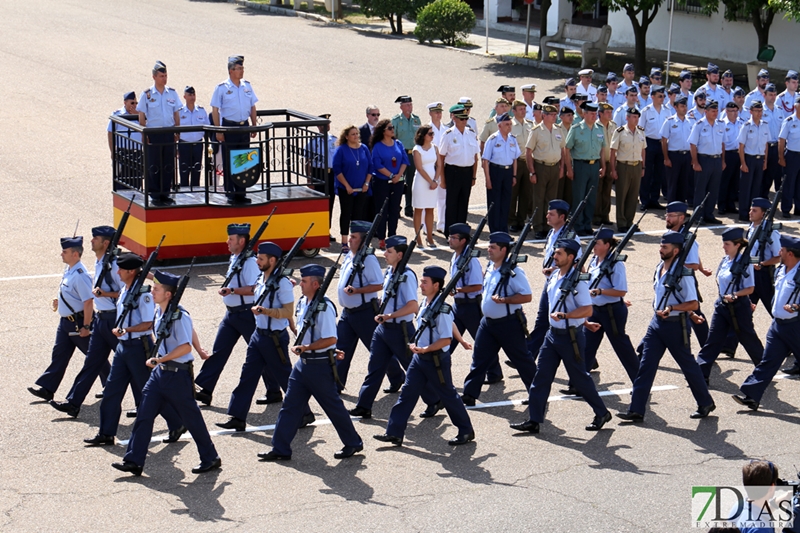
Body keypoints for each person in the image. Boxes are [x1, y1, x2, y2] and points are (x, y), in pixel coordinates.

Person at [112, 270, 221, 477]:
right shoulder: (159, 310)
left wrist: (163, 358)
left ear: (168, 294)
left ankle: (210, 457)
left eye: (157, 289)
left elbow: (184, 346)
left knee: (192, 418)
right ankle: (134, 461)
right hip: (159, 375)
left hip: (177, 375)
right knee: (144, 415)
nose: (152, 291)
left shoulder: (180, 316)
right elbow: (185, 336)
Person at [258, 264, 364, 461]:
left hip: (319, 367)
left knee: (333, 406)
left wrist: (308, 348)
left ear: (315, 284)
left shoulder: (324, 308)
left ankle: (353, 442)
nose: (300, 283)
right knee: (290, 405)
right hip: (303, 366)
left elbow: (331, 339)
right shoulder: (302, 302)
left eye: (304, 281)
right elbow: (306, 331)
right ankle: (280, 448)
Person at [510, 239, 612, 434]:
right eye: (555, 253)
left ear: (570, 257)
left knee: (579, 378)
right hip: (552, 335)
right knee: (541, 377)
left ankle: (602, 412)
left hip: (569, 338)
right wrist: (584, 322)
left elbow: (587, 308)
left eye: (559, 254)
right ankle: (534, 420)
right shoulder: (555, 275)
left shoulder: (578, 282)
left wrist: (572, 318)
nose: (554, 257)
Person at [83, 253, 184, 447]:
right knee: (112, 390)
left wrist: (126, 330)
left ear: (131, 271)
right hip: (123, 348)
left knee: (149, 390)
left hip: (139, 347)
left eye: (121, 269)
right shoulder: (125, 289)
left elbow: (148, 324)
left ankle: (176, 422)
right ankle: (106, 432)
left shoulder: (144, 294)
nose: (117, 272)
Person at [617, 232, 715, 422]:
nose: (660, 249)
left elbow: (693, 302)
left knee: (688, 366)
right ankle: (636, 409)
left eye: (665, 247)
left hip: (675, 326)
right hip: (656, 324)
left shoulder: (684, 274)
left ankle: (705, 402)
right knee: (646, 366)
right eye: (661, 246)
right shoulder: (659, 267)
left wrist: (675, 309)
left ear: (676, 250)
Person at [216, 242, 315, 432]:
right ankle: (237, 416)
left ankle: (305, 413)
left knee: (286, 378)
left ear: (272, 260)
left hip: (274, 338)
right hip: (258, 336)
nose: (257, 261)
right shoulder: (262, 278)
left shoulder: (282, 283)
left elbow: (287, 312)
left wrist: (265, 311)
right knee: (247, 376)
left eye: (261, 259)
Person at [374, 265, 476, 446]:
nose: (421, 285)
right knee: (407, 394)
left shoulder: (442, 309)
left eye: (425, 282)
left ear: (436, 285)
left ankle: (466, 430)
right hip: (419, 358)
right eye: (421, 281)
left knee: (448, 395)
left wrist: (427, 348)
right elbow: (449, 326)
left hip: (435, 360)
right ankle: (394, 432)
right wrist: (460, 340)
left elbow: (445, 339)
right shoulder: (426, 303)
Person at [348, 236, 440, 418]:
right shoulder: (390, 272)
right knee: (375, 367)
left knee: (413, 368)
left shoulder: (406, 276)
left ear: (400, 255)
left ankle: (435, 400)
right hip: (384, 330)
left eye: (389, 251)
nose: (384, 254)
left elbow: (412, 306)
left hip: (401, 331)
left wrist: (389, 315)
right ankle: (364, 406)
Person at [194, 224, 282, 407]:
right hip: (232, 315)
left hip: (246, 315)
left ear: (242, 241)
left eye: (231, 239)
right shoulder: (236, 257)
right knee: (219, 351)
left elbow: (255, 289)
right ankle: (205, 389)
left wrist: (232, 290)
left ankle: (274, 390)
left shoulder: (249, 263)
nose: (227, 242)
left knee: (262, 353)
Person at [49, 226, 119, 417]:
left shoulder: (114, 265)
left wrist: (87, 325)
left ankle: (169, 408)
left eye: (95, 238)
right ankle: (73, 403)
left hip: (114, 319)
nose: (90, 241)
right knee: (91, 363)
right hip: (103, 319)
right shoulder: (99, 263)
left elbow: (125, 292)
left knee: (135, 365)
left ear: (105, 243)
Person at [461, 231, 537, 407]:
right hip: (487, 323)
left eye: (493, 247)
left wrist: (505, 300)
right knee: (479, 359)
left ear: (503, 250)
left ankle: (537, 392)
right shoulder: (491, 267)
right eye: (489, 246)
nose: (489, 249)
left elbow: (526, 296)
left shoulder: (514, 272)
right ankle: (469, 394)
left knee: (521, 360)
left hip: (508, 323)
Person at [734, 235, 800, 411]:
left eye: (782, 250)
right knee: (768, 361)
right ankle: (752, 396)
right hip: (778, 326)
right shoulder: (781, 269)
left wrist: (797, 306)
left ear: (791, 254)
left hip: (796, 326)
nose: (779, 252)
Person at [335, 221, 404, 391]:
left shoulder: (368, 259)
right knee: (341, 350)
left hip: (364, 312)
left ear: (363, 240)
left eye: (354, 237)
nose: (349, 240)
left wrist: (357, 290)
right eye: (350, 236)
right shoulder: (349, 256)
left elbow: (379, 284)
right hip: (347, 313)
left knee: (377, 350)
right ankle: (336, 384)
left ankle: (397, 376)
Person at [28, 236, 94, 402]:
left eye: (64, 251)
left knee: (94, 357)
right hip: (65, 322)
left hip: (78, 324)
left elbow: (88, 301)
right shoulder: (69, 269)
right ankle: (47, 388)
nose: (61, 254)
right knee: (59, 355)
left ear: (75, 254)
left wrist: (86, 325)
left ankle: (110, 384)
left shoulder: (80, 275)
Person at [696, 228, 764, 385]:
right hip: (722, 306)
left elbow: (750, 288)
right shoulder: (725, 260)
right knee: (713, 340)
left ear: (737, 245)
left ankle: (764, 369)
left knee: (748, 338)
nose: (723, 247)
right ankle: (701, 374)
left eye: (727, 244)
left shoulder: (744, 263)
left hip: (738, 307)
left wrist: (736, 295)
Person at [580, 228, 639, 389]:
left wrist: (600, 291)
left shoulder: (616, 263)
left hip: (611, 311)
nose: (593, 246)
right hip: (595, 310)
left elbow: (621, 290)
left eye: (597, 243)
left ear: (607, 245)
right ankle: (578, 383)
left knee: (622, 347)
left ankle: (640, 382)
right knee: (586, 346)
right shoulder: (595, 259)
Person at [447, 223, 499, 382]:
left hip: (471, 307)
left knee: (482, 342)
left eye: (453, 238)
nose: (450, 240)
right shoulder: (456, 256)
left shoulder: (471, 260)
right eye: (450, 237)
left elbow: (478, 285)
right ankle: (436, 369)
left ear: (463, 241)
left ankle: (494, 372)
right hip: (458, 306)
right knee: (449, 339)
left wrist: (458, 290)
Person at [210, 55, 258, 205]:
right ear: (231, 70)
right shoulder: (222, 88)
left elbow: (252, 106)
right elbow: (215, 110)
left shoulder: (247, 86)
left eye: (242, 68)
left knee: (244, 160)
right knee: (230, 161)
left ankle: (241, 192)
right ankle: (230, 192)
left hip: (243, 127)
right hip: (229, 127)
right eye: (239, 68)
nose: (242, 71)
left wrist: (254, 124)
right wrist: (219, 130)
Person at [136, 61, 181, 206]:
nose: (164, 78)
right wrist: (144, 132)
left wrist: (177, 130)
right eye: (161, 76)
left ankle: (165, 192)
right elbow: (141, 114)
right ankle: (154, 193)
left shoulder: (172, 93)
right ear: (154, 77)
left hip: (168, 132)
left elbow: (176, 113)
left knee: (168, 164)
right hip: (153, 133)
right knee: (154, 164)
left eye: (166, 75)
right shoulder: (147, 94)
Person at [526, 104, 566, 240]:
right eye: (552, 115)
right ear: (544, 115)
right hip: (540, 166)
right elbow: (528, 151)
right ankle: (538, 226)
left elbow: (562, 150)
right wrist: (532, 172)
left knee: (551, 199)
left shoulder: (558, 130)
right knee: (539, 198)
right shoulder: (536, 130)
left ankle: (550, 226)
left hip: (554, 166)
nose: (555, 117)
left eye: (555, 114)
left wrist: (561, 168)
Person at [564, 102, 605, 236]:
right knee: (579, 197)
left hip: (595, 165)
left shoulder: (599, 128)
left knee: (591, 197)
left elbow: (603, 149)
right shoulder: (576, 128)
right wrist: (569, 169)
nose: (594, 116)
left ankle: (588, 224)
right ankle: (578, 225)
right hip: (581, 165)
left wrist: (603, 166)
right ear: (585, 114)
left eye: (595, 113)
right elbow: (567, 149)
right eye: (591, 113)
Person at [439, 105, 480, 237]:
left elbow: (475, 157)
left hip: (467, 172)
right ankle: (450, 233)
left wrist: (473, 176)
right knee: (451, 203)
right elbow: (441, 157)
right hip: (452, 172)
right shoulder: (448, 135)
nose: (464, 121)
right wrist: (442, 179)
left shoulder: (471, 133)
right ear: (454, 118)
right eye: (461, 119)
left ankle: (462, 232)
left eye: (466, 118)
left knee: (464, 202)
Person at [332, 125, 372, 252]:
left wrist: (366, 183)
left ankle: (357, 240)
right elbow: (337, 169)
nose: (356, 136)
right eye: (353, 134)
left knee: (358, 215)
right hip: (346, 189)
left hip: (361, 188)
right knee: (346, 213)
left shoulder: (364, 148)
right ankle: (344, 241)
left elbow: (370, 167)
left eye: (357, 134)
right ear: (347, 136)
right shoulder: (341, 150)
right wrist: (347, 186)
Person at [370, 119, 408, 250]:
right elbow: (377, 164)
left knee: (394, 209)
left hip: (397, 182)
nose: (392, 130)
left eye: (392, 128)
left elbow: (404, 160)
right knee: (382, 210)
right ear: (383, 131)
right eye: (390, 128)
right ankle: (381, 237)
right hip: (382, 182)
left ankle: (392, 236)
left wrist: (399, 176)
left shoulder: (398, 143)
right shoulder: (378, 146)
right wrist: (391, 175)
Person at [482, 113, 521, 234]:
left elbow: (515, 159)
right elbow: (485, 160)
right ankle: (494, 230)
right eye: (506, 124)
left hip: (508, 172)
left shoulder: (512, 139)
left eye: (510, 124)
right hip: (495, 171)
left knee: (505, 202)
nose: (509, 127)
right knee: (494, 202)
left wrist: (514, 175)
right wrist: (488, 179)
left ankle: (504, 230)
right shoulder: (493, 139)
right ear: (499, 126)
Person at [688, 100, 726, 224]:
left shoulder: (720, 124)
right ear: (706, 111)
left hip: (716, 159)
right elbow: (693, 144)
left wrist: (723, 160)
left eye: (717, 111)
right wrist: (695, 162)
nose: (715, 113)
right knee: (700, 189)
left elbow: (722, 144)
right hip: (703, 159)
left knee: (713, 189)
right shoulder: (699, 125)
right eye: (713, 111)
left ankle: (709, 214)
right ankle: (698, 216)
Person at [610, 107, 646, 233]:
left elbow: (643, 150)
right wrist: (613, 170)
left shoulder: (641, 132)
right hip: (623, 165)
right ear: (627, 117)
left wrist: (643, 167)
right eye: (633, 117)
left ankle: (629, 222)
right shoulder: (619, 132)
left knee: (633, 195)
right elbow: (613, 151)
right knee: (621, 195)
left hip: (636, 165)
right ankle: (621, 223)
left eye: (637, 117)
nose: (636, 119)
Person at [737, 101, 770, 222]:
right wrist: (743, 163)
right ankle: (744, 213)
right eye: (756, 111)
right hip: (749, 159)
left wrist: (765, 160)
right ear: (751, 112)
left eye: (760, 111)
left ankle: (754, 213)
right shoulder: (746, 126)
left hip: (759, 159)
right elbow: (741, 146)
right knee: (746, 188)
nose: (759, 113)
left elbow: (766, 144)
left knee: (756, 187)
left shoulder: (765, 125)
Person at [640, 84, 670, 210]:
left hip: (662, 143)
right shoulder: (646, 111)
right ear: (652, 97)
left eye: (663, 96)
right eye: (659, 96)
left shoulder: (667, 111)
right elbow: (640, 130)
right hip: (649, 143)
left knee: (659, 173)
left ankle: (654, 199)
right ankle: (645, 200)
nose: (662, 98)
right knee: (647, 173)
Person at [392, 96, 421, 218]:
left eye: (411, 104)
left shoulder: (416, 120)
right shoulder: (396, 120)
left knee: (410, 182)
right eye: (407, 105)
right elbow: (393, 138)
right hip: (401, 154)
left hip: (413, 154)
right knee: (398, 181)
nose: (410, 107)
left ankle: (409, 207)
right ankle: (396, 207)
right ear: (401, 107)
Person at [661, 95, 693, 204]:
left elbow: (693, 142)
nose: (684, 108)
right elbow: (664, 141)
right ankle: (671, 209)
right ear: (675, 107)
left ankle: (680, 210)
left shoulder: (690, 121)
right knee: (672, 183)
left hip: (687, 155)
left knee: (684, 184)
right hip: (674, 155)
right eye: (682, 106)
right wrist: (666, 158)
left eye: (685, 106)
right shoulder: (669, 121)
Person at [411, 124, 440, 247]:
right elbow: (419, 168)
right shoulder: (417, 149)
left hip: (433, 182)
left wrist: (436, 180)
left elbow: (439, 165)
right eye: (430, 134)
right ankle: (418, 239)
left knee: (430, 209)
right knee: (418, 209)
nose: (432, 136)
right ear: (423, 135)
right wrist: (431, 181)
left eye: (433, 133)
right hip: (421, 182)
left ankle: (429, 236)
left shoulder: (435, 148)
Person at [108, 91, 142, 189]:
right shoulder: (118, 114)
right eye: (132, 103)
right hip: (123, 153)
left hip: (137, 154)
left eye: (136, 103)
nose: (134, 105)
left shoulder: (141, 115)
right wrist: (112, 151)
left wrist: (139, 116)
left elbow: (147, 127)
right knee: (121, 182)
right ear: (125, 103)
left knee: (136, 183)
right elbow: (110, 133)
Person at [509, 100, 534, 233]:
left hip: (527, 161)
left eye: (524, 109)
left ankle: (521, 219)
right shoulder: (510, 125)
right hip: (515, 162)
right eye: (520, 109)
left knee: (526, 193)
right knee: (513, 193)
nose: (523, 111)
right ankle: (512, 220)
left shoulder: (530, 124)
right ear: (514, 111)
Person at [177, 86, 208, 188]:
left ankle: (196, 195)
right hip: (184, 145)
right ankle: (184, 195)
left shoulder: (201, 111)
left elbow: (207, 128)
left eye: (193, 94)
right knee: (184, 172)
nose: (192, 97)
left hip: (197, 145)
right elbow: (175, 128)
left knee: (196, 171)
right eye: (189, 95)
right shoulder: (179, 112)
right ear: (184, 97)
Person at [719, 101, 746, 216]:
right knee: (724, 181)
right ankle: (721, 205)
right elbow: (721, 143)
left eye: (736, 111)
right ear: (726, 111)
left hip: (738, 154)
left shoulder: (742, 123)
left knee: (735, 182)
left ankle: (730, 205)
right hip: (727, 154)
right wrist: (723, 160)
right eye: (732, 111)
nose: (735, 113)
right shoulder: (722, 124)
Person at [761, 84, 786, 197]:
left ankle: (770, 199)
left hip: (776, 147)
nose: (773, 97)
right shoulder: (759, 110)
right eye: (770, 95)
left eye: (775, 95)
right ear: (764, 95)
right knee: (762, 175)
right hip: (764, 147)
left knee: (773, 175)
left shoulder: (780, 111)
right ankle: (760, 199)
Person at [593, 102, 616, 226]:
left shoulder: (614, 126)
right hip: (598, 162)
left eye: (610, 112)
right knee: (598, 190)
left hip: (610, 161)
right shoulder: (595, 126)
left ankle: (605, 215)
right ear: (600, 114)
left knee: (607, 190)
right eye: (607, 112)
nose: (609, 114)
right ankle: (596, 216)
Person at [427, 102, 448, 233]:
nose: (438, 114)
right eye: (436, 112)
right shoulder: (426, 130)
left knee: (443, 196)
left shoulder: (446, 129)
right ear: (430, 113)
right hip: (430, 166)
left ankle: (442, 223)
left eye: (440, 112)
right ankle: (425, 225)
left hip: (443, 166)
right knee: (428, 197)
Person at [779, 95, 800, 217]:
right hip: (792, 155)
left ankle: (798, 208)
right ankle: (786, 209)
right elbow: (781, 140)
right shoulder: (789, 121)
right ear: (796, 107)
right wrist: (781, 157)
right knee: (789, 183)